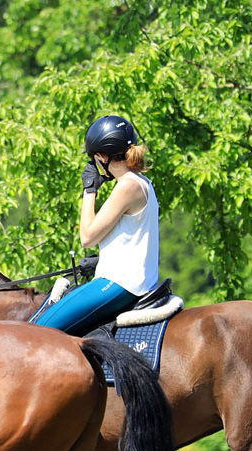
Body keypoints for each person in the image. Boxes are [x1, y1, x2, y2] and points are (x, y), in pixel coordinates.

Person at [32, 114, 158, 336]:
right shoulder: (141, 182)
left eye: (94, 159)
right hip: (131, 280)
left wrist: (89, 190)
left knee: (37, 332)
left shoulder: (128, 185)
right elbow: (134, 236)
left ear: (101, 156)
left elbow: (87, 238)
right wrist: (106, 258)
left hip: (120, 283)